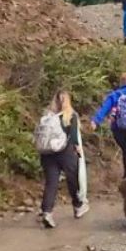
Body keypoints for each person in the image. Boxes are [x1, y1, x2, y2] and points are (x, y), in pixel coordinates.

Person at [34, 90, 88, 229]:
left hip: (46, 153)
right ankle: (78, 205)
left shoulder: (46, 116)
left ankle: (47, 211)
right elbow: (74, 137)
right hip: (65, 152)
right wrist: (78, 150)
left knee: (51, 183)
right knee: (73, 180)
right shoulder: (71, 115)